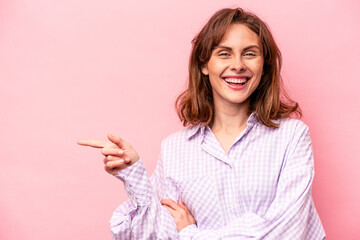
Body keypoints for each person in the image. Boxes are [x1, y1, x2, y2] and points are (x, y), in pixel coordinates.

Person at [78, 8, 326, 240]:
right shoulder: (175, 149)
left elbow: (285, 232)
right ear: (205, 64)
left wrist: (191, 234)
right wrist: (134, 172)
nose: (238, 65)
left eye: (250, 53)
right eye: (224, 53)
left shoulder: (292, 137)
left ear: (265, 66)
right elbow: (158, 233)